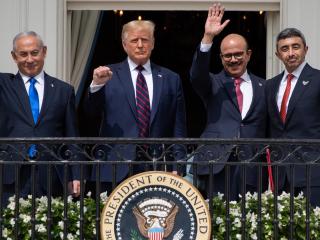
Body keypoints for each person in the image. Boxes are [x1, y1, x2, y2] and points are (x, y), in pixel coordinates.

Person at [83, 20, 187, 194]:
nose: (140, 45)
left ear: (153, 43)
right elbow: (90, 114)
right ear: (124, 45)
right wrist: (96, 86)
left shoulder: (170, 78)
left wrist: (178, 165)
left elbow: (178, 126)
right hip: (115, 167)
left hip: (157, 166)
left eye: (145, 40)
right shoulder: (108, 75)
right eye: (134, 40)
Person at [189, 3, 267, 199]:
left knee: (250, 221)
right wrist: (208, 38)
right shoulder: (213, 83)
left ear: (248, 55)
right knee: (217, 219)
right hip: (216, 164)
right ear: (221, 58)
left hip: (252, 166)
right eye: (228, 56)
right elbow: (197, 75)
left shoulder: (265, 86)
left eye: (238, 54)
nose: (233, 59)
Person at [0, 31, 80, 204]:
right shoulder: (4, 84)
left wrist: (76, 174)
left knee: (51, 228)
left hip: (51, 173)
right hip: (10, 173)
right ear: (14, 56)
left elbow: (71, 136)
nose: (29, 59)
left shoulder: (63, 90)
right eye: (23, 54)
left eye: (34, 53)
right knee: (9, 228)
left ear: (44, 52)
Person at [266, 28, 320, 206]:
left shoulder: (318, 79)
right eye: (284, 49)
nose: (290, 53)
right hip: (281, 176)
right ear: (277, 54)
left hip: (312, 172)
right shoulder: (270, 86)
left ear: (306, 49)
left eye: (295, 47)